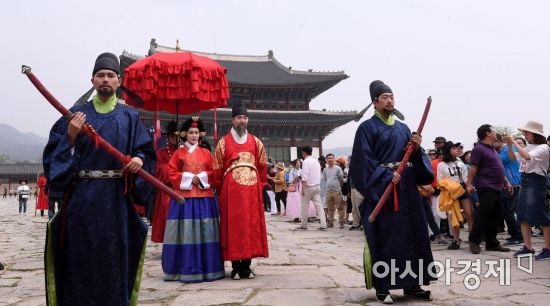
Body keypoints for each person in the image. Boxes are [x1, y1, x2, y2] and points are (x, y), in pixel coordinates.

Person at [42, 52, 156, 305]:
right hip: (81, 202)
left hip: (116, 202)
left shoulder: (130, 117)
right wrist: (70, 136)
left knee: (113, 261)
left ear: (119, 80)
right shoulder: (74, 114)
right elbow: (53, 160)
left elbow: (146, 152)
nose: (105, 79)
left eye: (110, 75)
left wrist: (139, 159)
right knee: (79, 259)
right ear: (92, 80)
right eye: (100, 75)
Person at [351, 80, 435, 303]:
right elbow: (363, 162)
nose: (390, 100)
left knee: (414, 235)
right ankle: (383, 286)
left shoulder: (403, 128)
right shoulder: (366, 128)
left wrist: (416, 148)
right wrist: (386, 176)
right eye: (385, 97)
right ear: (375, 102)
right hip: (385, 190)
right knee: (387, 238)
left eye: (392, 96)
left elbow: (416, 161)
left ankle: (412, 284)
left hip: (407, 189)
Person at [162, 117, 225, 282]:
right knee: (184, 233)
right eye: (191, 132)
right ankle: (183, 268)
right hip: (184, 200)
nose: (194, 135)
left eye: (197, 132)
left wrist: (202, 177)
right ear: (184, 134)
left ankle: (209, 269)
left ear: (201, 134)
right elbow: (171, 173)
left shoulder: (206, 153)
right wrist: (190, 177)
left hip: (205, 199)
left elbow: (214, 172)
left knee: (207, 232)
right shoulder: (178, 153)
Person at [213, 101, 269, 280]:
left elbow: (262, 169)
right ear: (232, 120)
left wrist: (259, 187)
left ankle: (247, 265)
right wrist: (223, 192)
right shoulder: (223, 143)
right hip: (231, 194)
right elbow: (217, 170)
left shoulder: (256, 142)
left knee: (250, 226)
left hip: (251, 193)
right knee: (234, 226)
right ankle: (236, 266)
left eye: (245, 117)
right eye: (239, 117)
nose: (242, 121)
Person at [506, 121, 550, 260]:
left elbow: (526, 156)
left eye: (526, 132)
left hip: (536, 182)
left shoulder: (543, 147)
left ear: (535, 133)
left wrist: (514, 141)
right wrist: (509, 146)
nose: (524, 134)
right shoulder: (530, 146)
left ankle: (547, 248)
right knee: (522, 215)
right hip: (525, 181)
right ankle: (528, 246)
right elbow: (513, 158)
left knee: (541, 216)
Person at [466, 124, 511, 255]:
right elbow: (473, 169)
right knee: (483, 215)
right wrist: (469, 184)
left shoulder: (492, 149)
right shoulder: (478, 149)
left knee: (495, 216)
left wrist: (506, 182)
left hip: (497, 187)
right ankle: (474, 241)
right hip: (486, 187)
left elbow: (498, 168)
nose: (496, 133)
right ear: (487, 133)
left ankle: (492, 243)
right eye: (494, 131)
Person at [436, 141, 474, 250]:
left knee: (469, 214)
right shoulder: (441, 165)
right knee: (453, 217)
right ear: (448, 151)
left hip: (463, 190)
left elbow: (466, 179)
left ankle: (472, 240)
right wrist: (449, 187)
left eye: (456, 148)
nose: (456, 150)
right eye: (453, 148)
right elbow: (440, 181)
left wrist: (468, 187)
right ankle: (456, 241)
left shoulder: (461, 164)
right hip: (451, 193)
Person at [151, 120, 179, 242]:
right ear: (168, 137)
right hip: (166, 192)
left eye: (176, 136)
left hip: (180, 190)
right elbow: (157, 171)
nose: (174, 139)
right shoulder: (161, 152)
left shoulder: (182, 152)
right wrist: (172, 170)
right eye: (172, 136)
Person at [294, 146, 328, 231]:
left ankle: (304, 225)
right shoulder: (316, 161)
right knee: (319, 207)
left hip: (308, 186)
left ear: (304, 152)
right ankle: (323, 225)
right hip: (317, 186)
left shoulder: (306, 161)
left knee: (304, 206)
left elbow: (305, 175)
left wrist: (303, 187)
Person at [322, 154, 344, 228]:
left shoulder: (338, 168)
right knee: (330, 208)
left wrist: (339, 186)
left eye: (332, 158)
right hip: (328, 191)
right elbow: (325, 179)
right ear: (326, 160)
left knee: (340, 207)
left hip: (337, 190)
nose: (330, 160)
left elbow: (341, 179)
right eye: (329, 158)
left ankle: (341, 222)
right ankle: (330, 222)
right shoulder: (325, 169)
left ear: (334, 159)